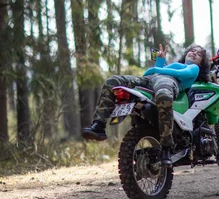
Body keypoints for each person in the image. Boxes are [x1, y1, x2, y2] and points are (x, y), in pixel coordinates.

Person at [82, 44, 211, 166]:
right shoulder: (175, 64)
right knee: (113, 81)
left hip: (169, 81)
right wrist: (160, 61)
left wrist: (157, 69)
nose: (194, 53)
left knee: (163, 97)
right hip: (149, 80)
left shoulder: (194, 68)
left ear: (201, 63)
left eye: (199, 54)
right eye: (192, 50)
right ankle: (98, 125)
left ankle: (166, 147)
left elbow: (184, 74)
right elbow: (156, 71)